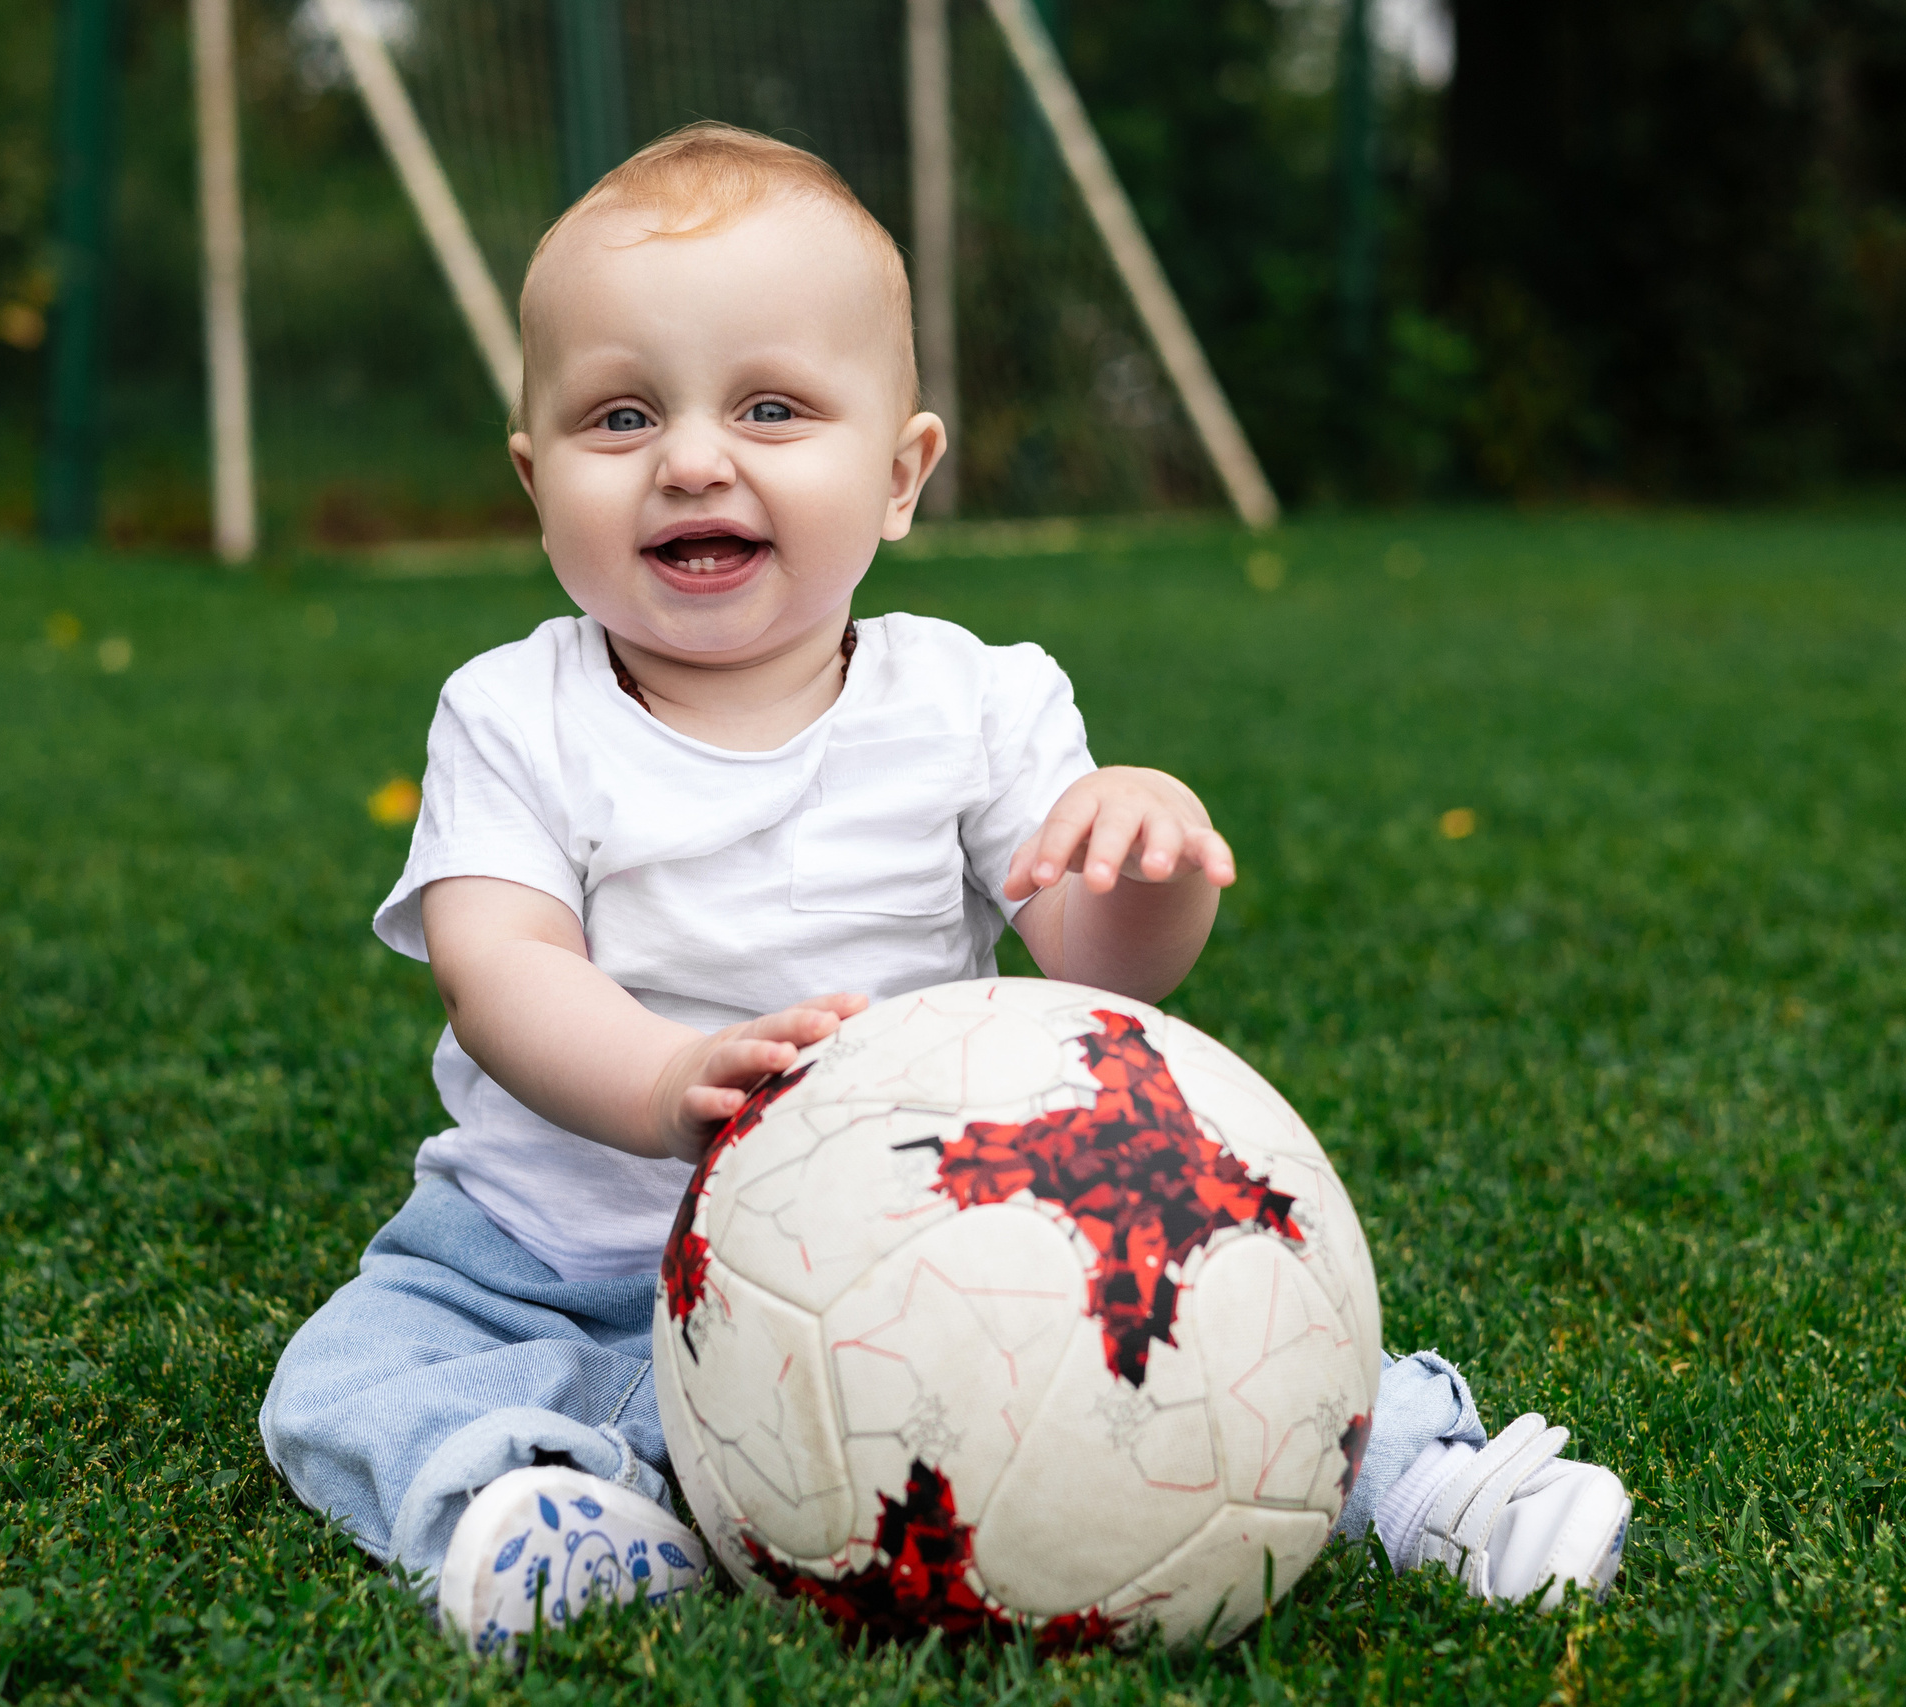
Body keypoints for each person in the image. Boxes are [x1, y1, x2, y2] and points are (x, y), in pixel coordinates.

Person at [260, 122, 1630, 1656]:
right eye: (621, 415)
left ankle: (1432, 1483)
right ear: (537, 480)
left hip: (928, 1246)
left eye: (771, 406)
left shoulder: (977, 705)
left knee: (1190, 1338)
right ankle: (538, 1508)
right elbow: (496, 958)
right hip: (552, 1253)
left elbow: (1105, 967)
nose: (693, 458)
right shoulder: (513, 714)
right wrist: (659, 1082)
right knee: (353, 1376)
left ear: (902, 475)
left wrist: (1143, 856)